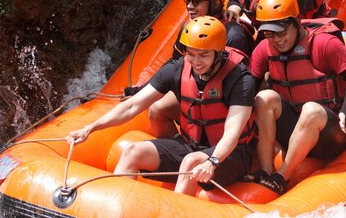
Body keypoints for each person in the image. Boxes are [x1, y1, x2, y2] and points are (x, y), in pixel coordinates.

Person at [67, 16, 257, 194]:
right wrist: (90, 128)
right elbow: (132, 106)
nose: (196, 62)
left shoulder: (240, 79)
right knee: (133, 151)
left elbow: (233, 134)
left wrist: (213, 161)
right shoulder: (176, 69)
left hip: (231, 154)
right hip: (192, 146)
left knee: (190, 162)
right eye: (191, 54)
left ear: (218, 52)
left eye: (203, 55)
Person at [245, 0, 346, 195]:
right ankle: (265, 171)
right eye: (269, 33)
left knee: (310, 110)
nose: (277, 39)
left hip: (328, 134)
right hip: (293, 127)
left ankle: (281, 177)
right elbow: (248, 89)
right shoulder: (264, 49)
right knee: (264, 98)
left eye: (281, 31)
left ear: (297, 21)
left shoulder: (324, 43)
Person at [148, 0, 254, 138]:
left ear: (216, 4)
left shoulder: (234, 36)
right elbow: (173, 64)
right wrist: (141, 90)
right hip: (198, 93)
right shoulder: (190, 28)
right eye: (187, 0)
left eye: (196, 1)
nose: (190, 6)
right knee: (157, 109)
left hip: (225, 101)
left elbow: (239, 85)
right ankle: (177, 149)